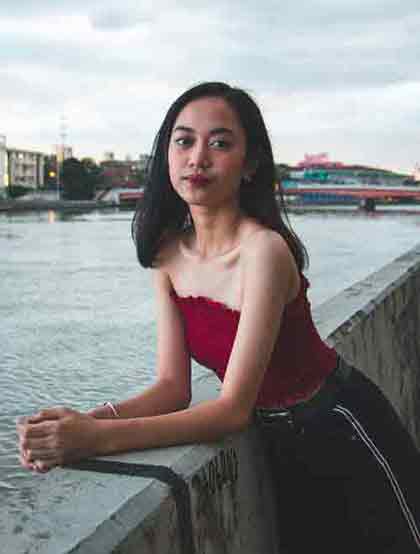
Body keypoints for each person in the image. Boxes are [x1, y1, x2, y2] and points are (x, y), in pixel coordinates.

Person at [17, 82, 420, 552]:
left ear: (250, 164)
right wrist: (80, 422)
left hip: (341, 429)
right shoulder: (167, 254)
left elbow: (231, 409)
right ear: (166, 155)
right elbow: (173, 388)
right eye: (184, 141)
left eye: (221, 143)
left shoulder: (263, 251)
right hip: (279, 449)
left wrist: (94, 440)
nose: (198, 157)